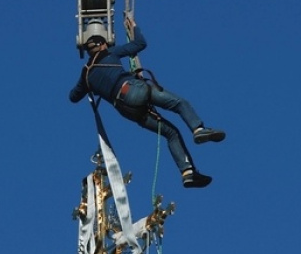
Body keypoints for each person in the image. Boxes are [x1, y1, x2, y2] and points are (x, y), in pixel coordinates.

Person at [69, 18, 225, 188]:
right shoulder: (110, 53)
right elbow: (140, 44)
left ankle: (188, 173)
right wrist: (134, 28)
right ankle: (198, 129)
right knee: (180, 103)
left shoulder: (86, 74)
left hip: (126, 109)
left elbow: (73, 97)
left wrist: (93, 85)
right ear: (102, 45)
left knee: (171, 133)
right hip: (132, 90)